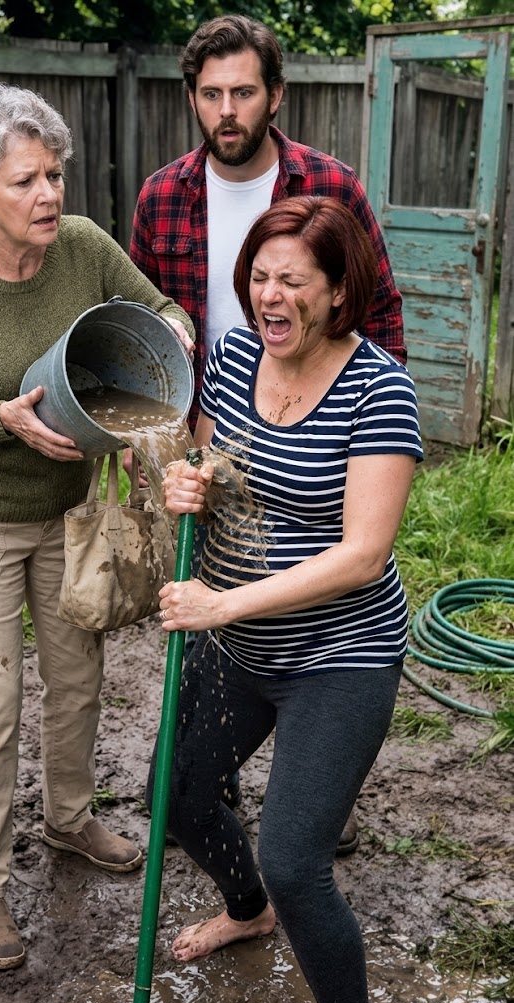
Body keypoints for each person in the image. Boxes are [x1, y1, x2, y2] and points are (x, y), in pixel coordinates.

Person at [0, 83, 194, 972]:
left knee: (78, 675)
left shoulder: (86, 249)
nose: (50, 196)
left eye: (55, 175)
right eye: (25, 182)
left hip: (68, 513)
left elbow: (160, 313)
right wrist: (3, 418)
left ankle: (68, 820)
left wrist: (171, 336)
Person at [131, 13, 406, 852]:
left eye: (243, 91)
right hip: (213, 421)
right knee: (231, 601)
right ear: (192, 100)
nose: (227, 109)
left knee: (323, 581)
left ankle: (317, 780)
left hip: (318, 420)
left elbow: (380, 315)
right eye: (210, 94)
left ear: (274, 95)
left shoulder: (332, 187)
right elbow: (146, 319)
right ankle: (229, 786)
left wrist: (366, 432)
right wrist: (174, 448)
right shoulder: (162, 195)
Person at [150, 195, 422, 1003]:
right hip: (236, 645)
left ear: (339, 292)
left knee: (297, 861)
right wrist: (181, 482)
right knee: (178, 795)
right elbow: (205, 460)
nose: (270, 295)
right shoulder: (232, 358)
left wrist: (221, 603)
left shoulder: (381, 387)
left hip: (339, 655)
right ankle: (246, 909)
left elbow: (361, 555)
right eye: (259, 278)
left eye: (293, 281)